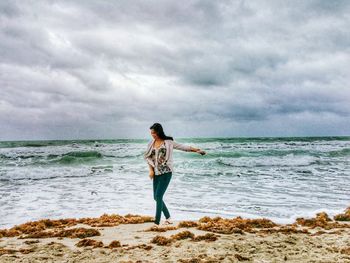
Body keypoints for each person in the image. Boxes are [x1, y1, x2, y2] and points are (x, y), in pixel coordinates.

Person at [143, 123, 206, 227]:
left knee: (158, 196)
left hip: (166, 172)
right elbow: (148, 158)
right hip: (156, 173)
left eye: (154, 132)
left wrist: (197, 150)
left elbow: (184, 147)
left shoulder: (169, 142)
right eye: (151, 133)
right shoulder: (151, 144)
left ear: (159, 132)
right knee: (156, 197)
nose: (152, 135)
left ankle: (156, 223)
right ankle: (168, 218)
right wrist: (151, 171)